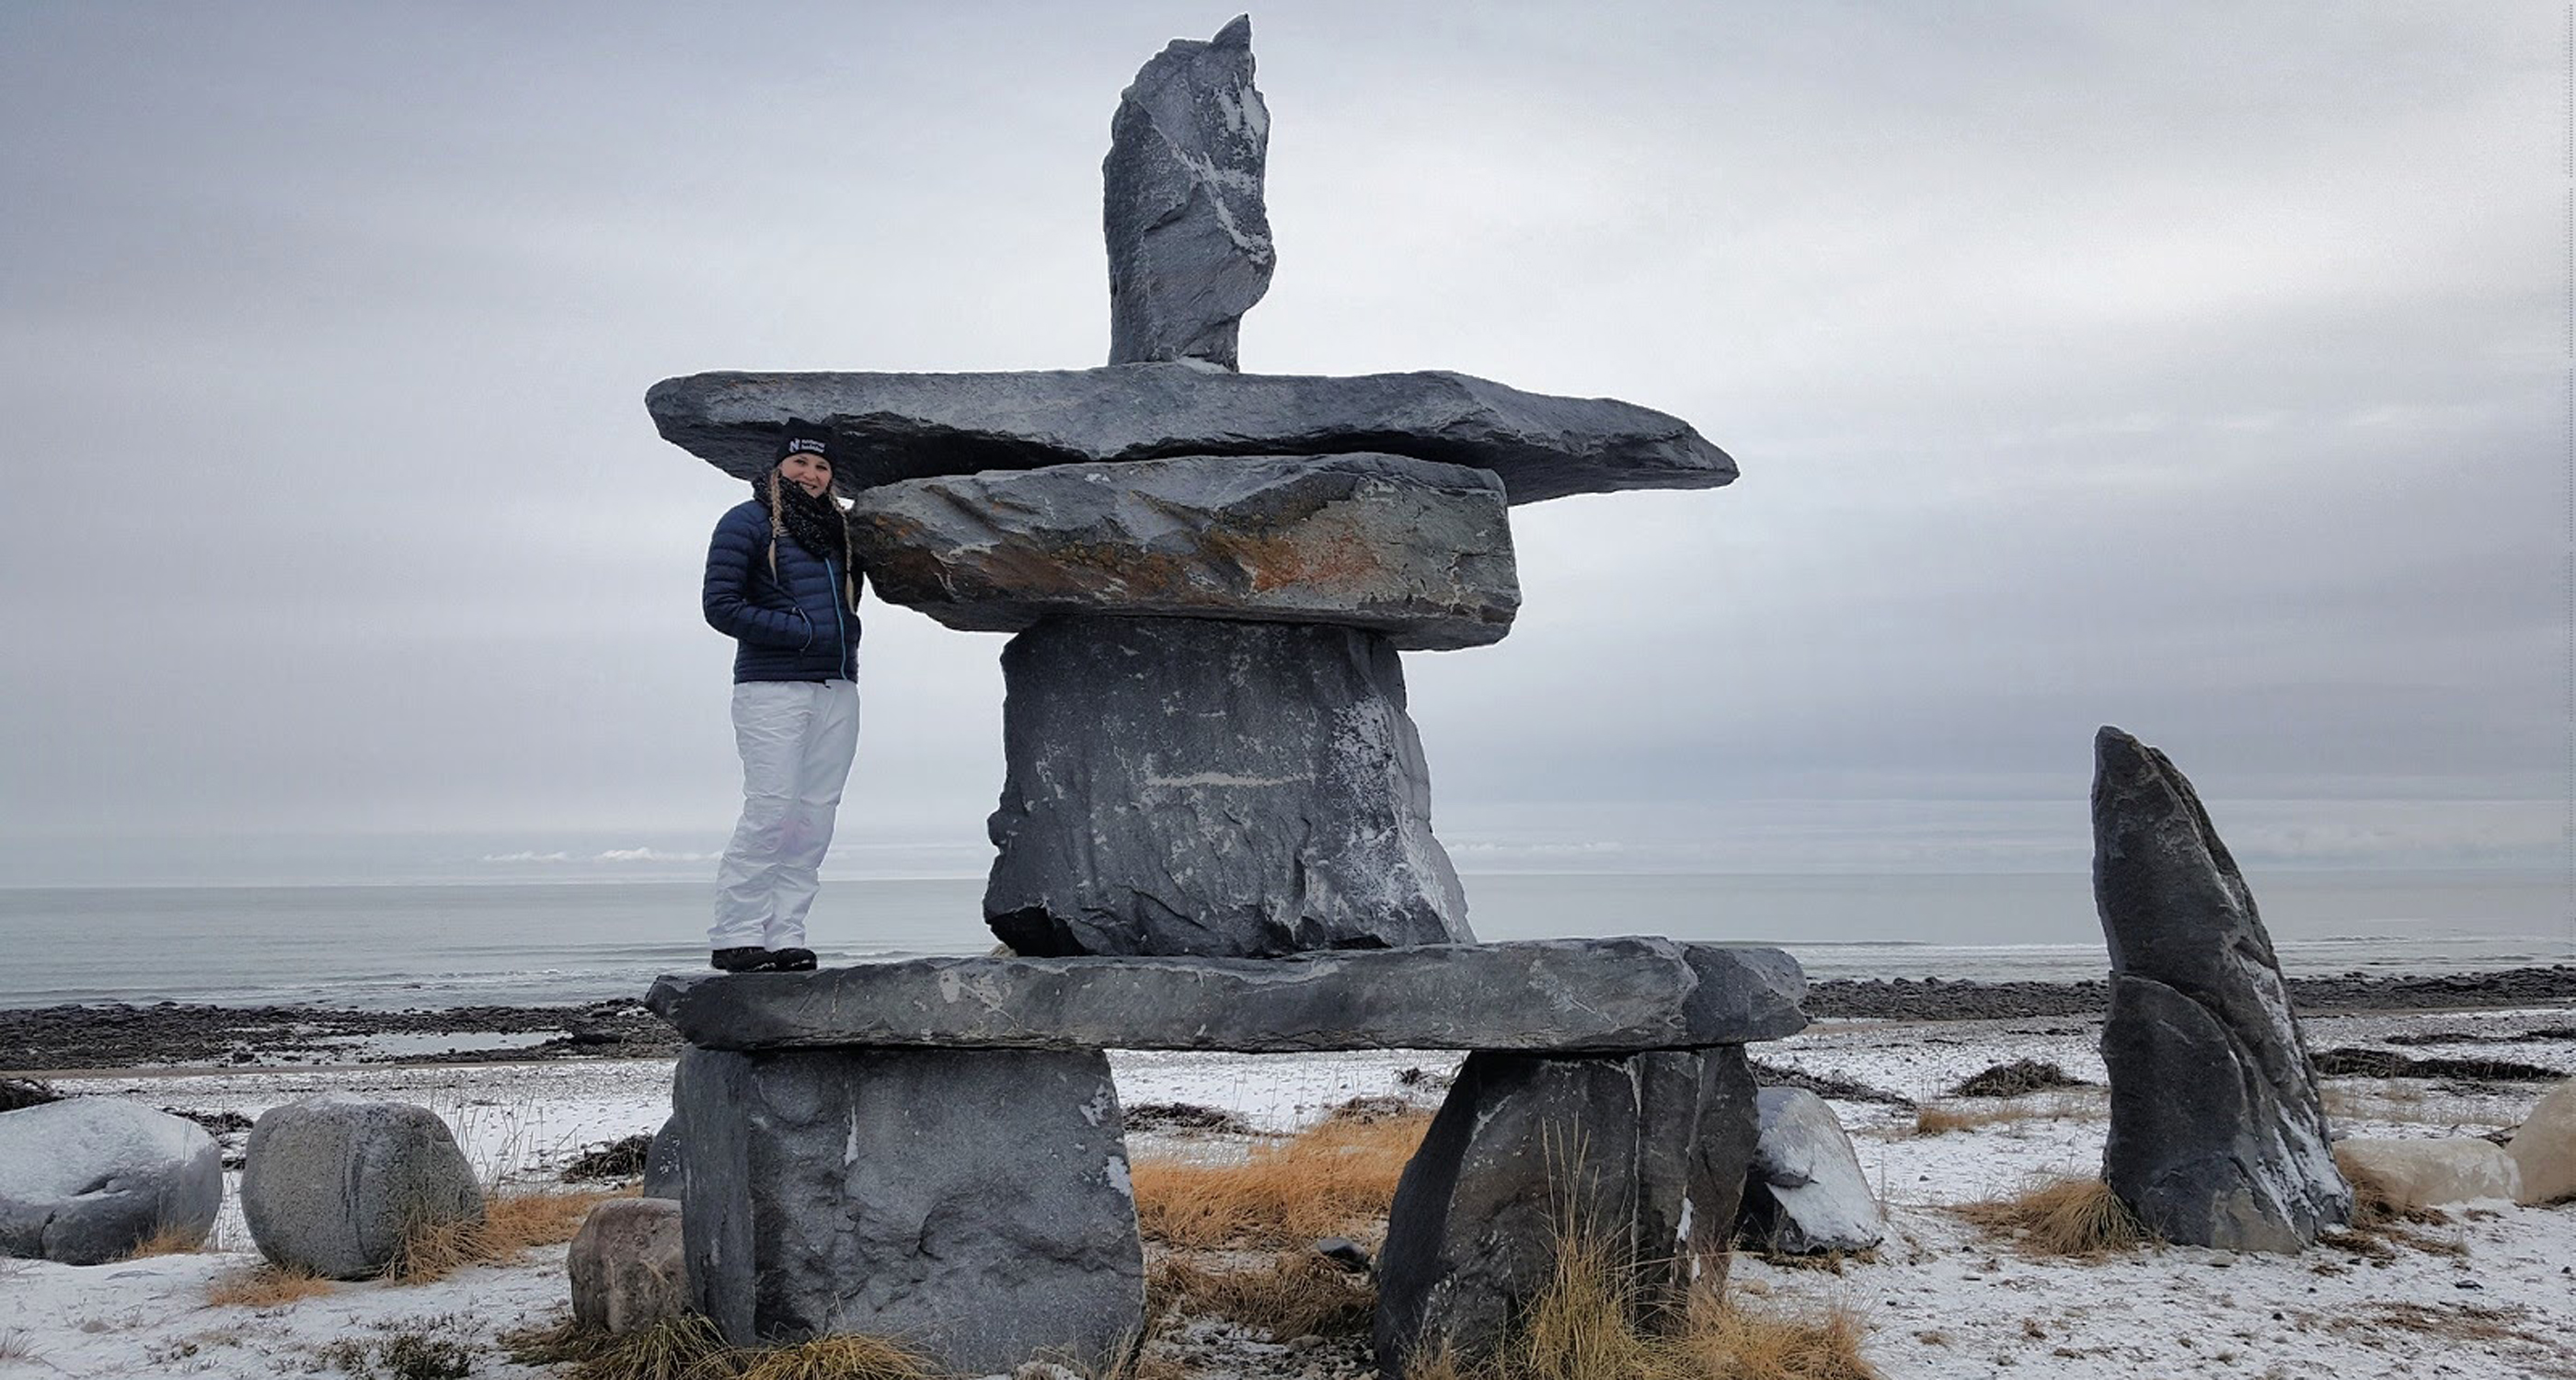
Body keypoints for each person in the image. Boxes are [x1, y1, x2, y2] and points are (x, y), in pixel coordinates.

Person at [700, 420, 862, 972]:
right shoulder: (747, 522)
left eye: (822, 467)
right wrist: (800, 632)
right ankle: (736, 934)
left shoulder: (840, 531)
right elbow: (719, 605)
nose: (811, 475)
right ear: (778, 468)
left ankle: (785, 932)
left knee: (815, 817)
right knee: (771, 810)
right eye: (800, 464)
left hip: (838, 688)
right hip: (771, 686)